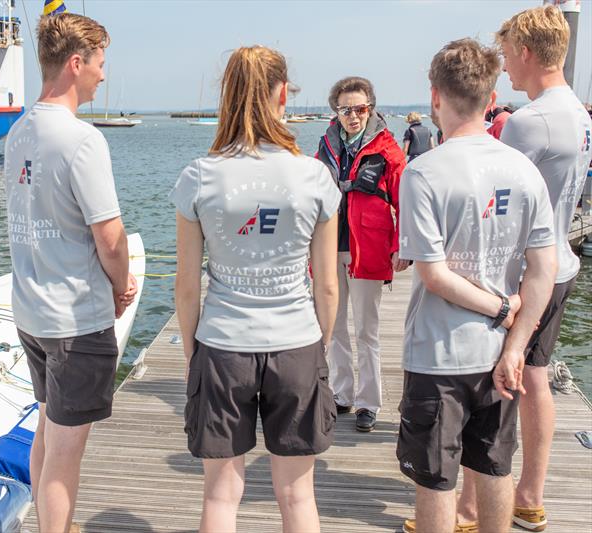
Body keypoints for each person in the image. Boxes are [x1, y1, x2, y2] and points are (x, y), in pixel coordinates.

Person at [173, 46, 341, 533]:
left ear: (227, 95)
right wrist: (319, 347)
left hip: (223, 345)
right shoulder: (313, 176)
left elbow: (187, 287)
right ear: (283, 93)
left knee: (221, 497)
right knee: (296, 495)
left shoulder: (200, 176)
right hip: (296, 343)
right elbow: (327, 286)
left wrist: (192, 354)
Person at [397, 38, 557, 533]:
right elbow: (544, 268)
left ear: (434, 96)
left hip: (437, 356)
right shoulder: (522, 169)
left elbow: (434, 274)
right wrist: (516, 343)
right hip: (498, 357)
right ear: (491, 99)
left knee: (437, 480)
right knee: (494, 467)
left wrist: (496, 310)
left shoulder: (423, 172)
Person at [452, 6, 592, 532]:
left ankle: (470, 506)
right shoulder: (577, 113)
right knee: (535, 380)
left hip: (520, 274)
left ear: (528, 53)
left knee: (491, 386)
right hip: (560, 262)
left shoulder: (530, 123)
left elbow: (490, 193)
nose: (505, 67)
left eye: (509, 55)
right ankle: (529, 495)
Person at [4, 13, 137, 533]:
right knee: (65, 452)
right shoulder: (82, 141)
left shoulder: (19, 132)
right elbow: (110, 237)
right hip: (75, 321)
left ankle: (49, 523)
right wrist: (121, 288)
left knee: (47, 429)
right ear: (76, 63)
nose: (103, 76)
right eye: (100, 65)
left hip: (32, 313)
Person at [315, 77, 408, 432]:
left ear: (370, 108)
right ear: (335, 112)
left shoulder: (388, 151)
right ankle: (342, 394)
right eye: (345, 109)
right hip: (329, 249)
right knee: (335, 328)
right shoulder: (324, 147)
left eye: (360, 109)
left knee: (367, 330)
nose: (353, 116)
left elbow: (405, 202)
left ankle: (369, 402)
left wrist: (401, 245)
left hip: (368, 251)